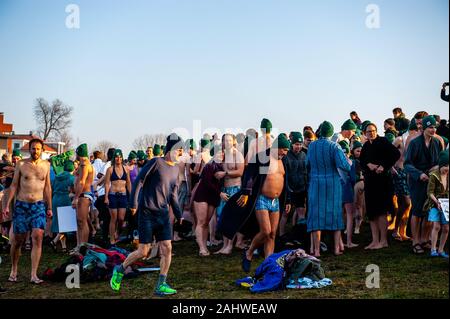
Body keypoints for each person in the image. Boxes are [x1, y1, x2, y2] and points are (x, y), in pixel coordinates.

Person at [110, 133, 184, 296]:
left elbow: (173, 194)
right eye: (179, 149)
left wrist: (179, 214)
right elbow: (139, 181)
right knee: (143, 251)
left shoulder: (176, 169)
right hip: (147, 212)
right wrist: (133, 204)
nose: (181, 152)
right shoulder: (156, 162)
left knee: (167, 248)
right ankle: (120, 269)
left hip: (163, 214)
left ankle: (161, 284)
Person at [3, 139, 52, 284]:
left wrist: (49, 207)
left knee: (38, 237)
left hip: (38, 206)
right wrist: (6, 205)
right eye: (32, 149)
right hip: (22, 205)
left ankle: (33, 275)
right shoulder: (21, 164)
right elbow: (13, 186)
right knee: (18, 241)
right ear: (29, 149)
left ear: (41, 150)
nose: (35, 151)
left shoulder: (46, 165)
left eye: (38, 149)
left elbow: (47, 187)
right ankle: (14, 269)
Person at [239, 134, 291, 272]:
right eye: (283, 150)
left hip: (276, 201)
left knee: (273, 234)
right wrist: (245, 192)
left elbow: (286, 181)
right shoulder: (263, 158)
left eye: (286, 150)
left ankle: (268, 264)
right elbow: (250, 175)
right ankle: (249, 252)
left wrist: (288, 199)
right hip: (262, 198)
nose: (285, 153)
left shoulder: (283, 161)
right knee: (265, 231)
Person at [306, 122, 351, 257]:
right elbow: (344, 165)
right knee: (335, 214)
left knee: (315, 216)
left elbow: (306, 164)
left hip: (315, 183)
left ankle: (316, 250)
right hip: (332, 183)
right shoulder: (334, 146)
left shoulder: (311, 146)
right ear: (331, 133)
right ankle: (337, 249)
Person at [405, 115, 444, 254]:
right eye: (430, 127)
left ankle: (424, 239)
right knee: (416, 210)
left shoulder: (437, 142)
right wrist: (418, 174)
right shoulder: (415, 143)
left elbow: (441, 160)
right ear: (423, 128)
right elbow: (407, 163)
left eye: (434, 127)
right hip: (417, 181)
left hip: (432, 180)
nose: (433, 130)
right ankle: (415, 241)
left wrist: (438, 167)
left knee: (429, 210)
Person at [360, 123, 400, 250]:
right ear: (365, 133)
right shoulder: (366, 145)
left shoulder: (383, 141)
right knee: (372, 212)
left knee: (381, 211)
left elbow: (395, 154)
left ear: (376, 131)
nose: (371, 133)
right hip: (370, 182)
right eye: (368, 131)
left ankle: (383, 241)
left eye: (373, 131)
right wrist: (368, 165)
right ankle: (374, 240)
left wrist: (383, 166)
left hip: (382, 182)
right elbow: (361, 161)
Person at [215, 134, 245, 255]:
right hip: (224, 189)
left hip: (235, 188)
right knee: (222, 217)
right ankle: (224, 245)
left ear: (233, 142)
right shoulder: (222, 155)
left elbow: (240, 171)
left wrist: (225, 173)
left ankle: (230, 246)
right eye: (225, 140)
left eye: (229, 140)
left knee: (231, 218)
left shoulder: (237, 154)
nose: (227, 142)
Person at [192, 145, 223, 256]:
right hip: (202, 195)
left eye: (223, 153)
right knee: (201, 222)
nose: (222, 154)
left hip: (212, 197)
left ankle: (205, 245)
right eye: (219, 153)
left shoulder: (222, 166)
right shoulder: (209, 166)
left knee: (206, 222)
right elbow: (207, 182)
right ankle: (201, 248)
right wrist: (220, 193)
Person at [280, 132, 307, 237]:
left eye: (300, 144)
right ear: (292, 144)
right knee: (286, 213)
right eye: (296, 144)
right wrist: (287, 188)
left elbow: (306, 171)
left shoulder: (304, 155)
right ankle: (281, 234)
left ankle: (299, 234)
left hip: (301, 188)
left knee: (301, 212)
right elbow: (284, 174)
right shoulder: (286, 156)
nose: (298, 146)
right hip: (289, 189)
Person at [104, 149, 131, 246]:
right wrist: (106, 197)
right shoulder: (110, 169)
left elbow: (128, 183)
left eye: (120, 157)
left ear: (122, 158)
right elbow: (107, 184)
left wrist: (131, 195)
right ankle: (111, 238)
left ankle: (117, 233)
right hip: (113, 195)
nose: (118, 159)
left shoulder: (126, 169)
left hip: (123, 195)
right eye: (116, 157)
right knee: (113, 218)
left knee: (121, 218)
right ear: (114, 158)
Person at [425, 150, 449, 258]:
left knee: (446, 228)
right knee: (436, 226)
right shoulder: (434, 176)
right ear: (441, 164)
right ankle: (433, 249)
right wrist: (437, 202)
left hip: (446, 204)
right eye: (446, 166)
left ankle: (441, 249)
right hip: (435, 203)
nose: (447, 169)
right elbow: (430, 192)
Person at [50, 160, 75, 253]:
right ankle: (54, 241)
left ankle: (64, 247)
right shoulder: (71, 178)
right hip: (65, 199)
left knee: (59, 223)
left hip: (55, 199)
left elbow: (51, 188)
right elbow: (74, 190)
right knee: (66, 224)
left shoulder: (56, 177)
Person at [72, 143, 95, 247]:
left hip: (83, 195)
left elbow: (82, 182)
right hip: (81, 195)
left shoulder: (85, 164)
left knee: (82, 221)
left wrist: (76, 198)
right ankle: (79, 245)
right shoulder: (83, 164)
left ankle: (83, 246)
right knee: (80, 222)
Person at [391, 131, 412, 242]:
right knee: (406, 202)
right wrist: (391, 168)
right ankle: (395, 230)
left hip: (410, 173)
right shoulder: (399, 140)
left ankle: (402, 231)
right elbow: (387, 153)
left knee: (407, 205)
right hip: (399, 172)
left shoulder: (417, 139)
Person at [338, 140, 358, 248]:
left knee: (339, 216)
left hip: (337, 190)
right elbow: (354, 179)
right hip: (347, 189)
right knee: (350, 215)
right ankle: (349, 242)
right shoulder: (351, 162)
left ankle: (339, 241)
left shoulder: (335, 162)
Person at [351, 141, 365, 234]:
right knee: (352, 206)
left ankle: (357, 227)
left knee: (359, 206)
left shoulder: (365, 161)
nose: (359, 153)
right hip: (351, 185)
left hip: (360, 185)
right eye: (357, 151)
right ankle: (351, 226)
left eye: (361, 151)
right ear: (353, 151)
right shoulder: (351, 161)